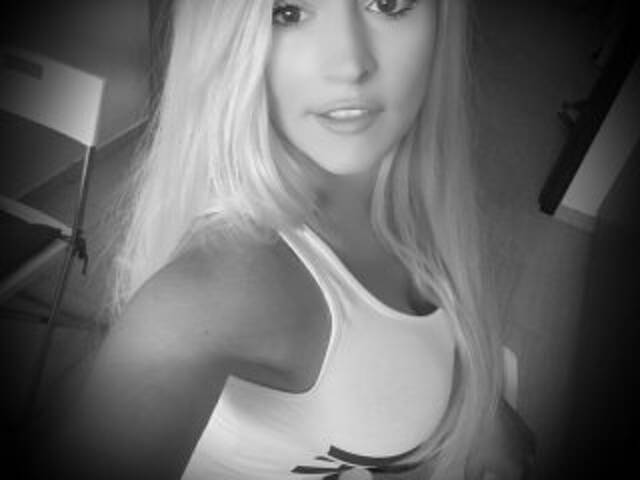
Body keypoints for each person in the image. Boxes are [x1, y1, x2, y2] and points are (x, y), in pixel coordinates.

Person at [34, 0, 536, 478]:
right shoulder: (208, 296)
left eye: (387, 3)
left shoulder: (403, 184)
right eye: (287, 12)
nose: (350, 64)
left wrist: (482, 408)